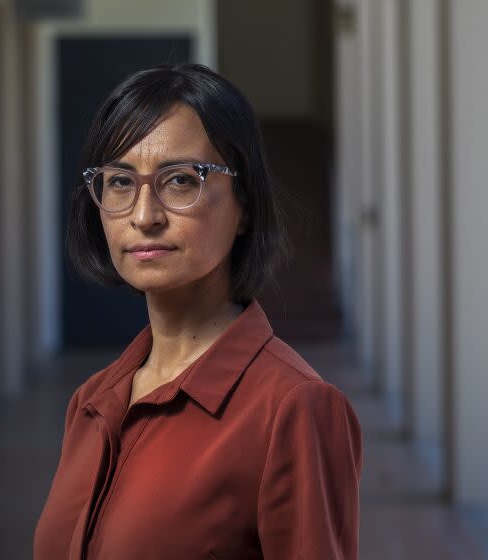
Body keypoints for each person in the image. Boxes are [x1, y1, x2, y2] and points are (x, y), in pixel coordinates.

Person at [33, 64, 362, 560]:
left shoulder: (293, 409)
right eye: (120, 182)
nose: (144, 216)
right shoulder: (92, 401)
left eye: (181, 180)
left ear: (244, 203)